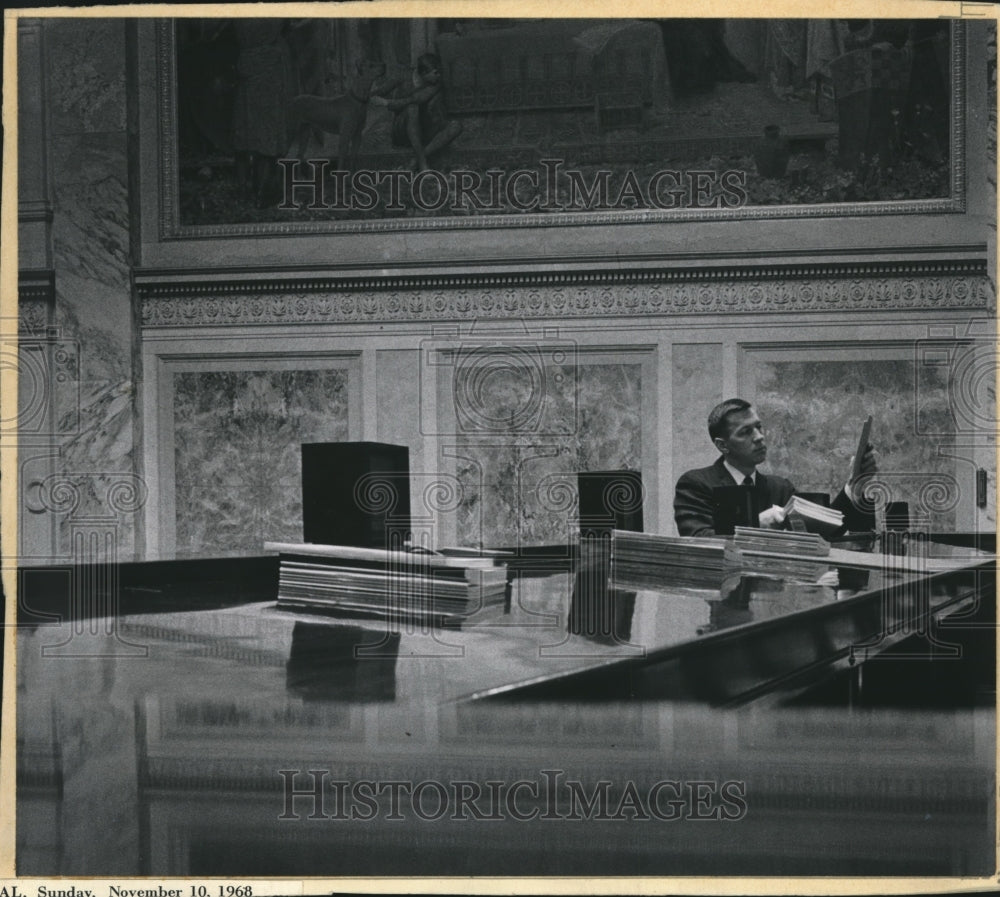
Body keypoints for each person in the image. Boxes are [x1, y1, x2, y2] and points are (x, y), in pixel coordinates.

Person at [674, 398, 877, 537]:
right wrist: (757, 524)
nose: (759, 437)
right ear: (722, 445)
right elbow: (699, 540)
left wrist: (854, 487)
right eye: (745, 432)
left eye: (759, 427)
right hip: (726, 593)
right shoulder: (696, 484)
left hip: (776, 597)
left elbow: (824, 531)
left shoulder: (780, 487)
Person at [381, 53, 462, 172]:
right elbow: (382, 90)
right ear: (424, 73)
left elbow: (418, 98)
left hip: (425, 128)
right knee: (412, 109)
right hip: (403, 130)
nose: (439, 76)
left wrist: (388, 103)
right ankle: (423, 163)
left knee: (456, 126)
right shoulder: (403, 75)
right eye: (435, 73)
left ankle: (416, 159)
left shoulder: (435, 84)